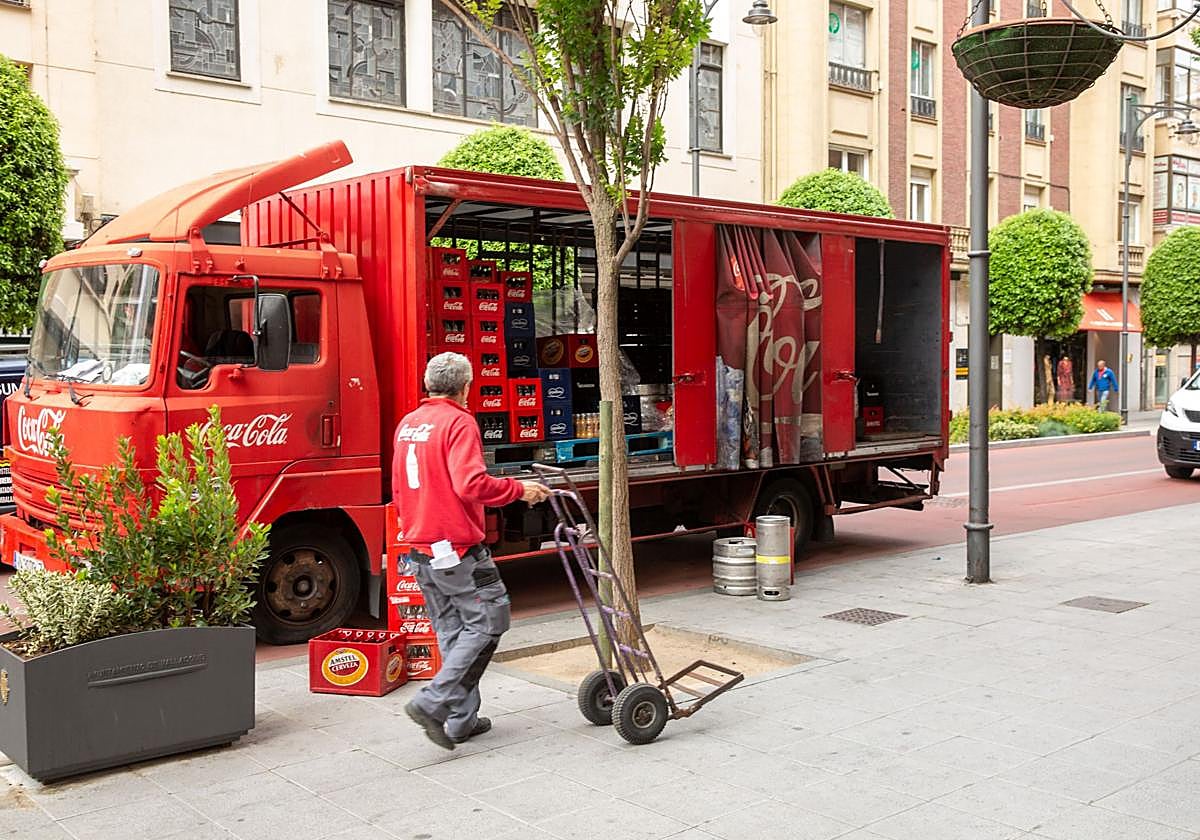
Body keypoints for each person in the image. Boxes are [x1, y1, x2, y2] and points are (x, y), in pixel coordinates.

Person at [393, 352, 551, 750]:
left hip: (422, 547)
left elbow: (399, 487)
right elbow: (470, 484)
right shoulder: (459, 422)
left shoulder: (409, 424)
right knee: (488, 621)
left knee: (451, 631)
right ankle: (433, 702)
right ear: (467, 387)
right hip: (458, 547)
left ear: (428, 383)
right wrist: (519, 490)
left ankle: (461, 721)